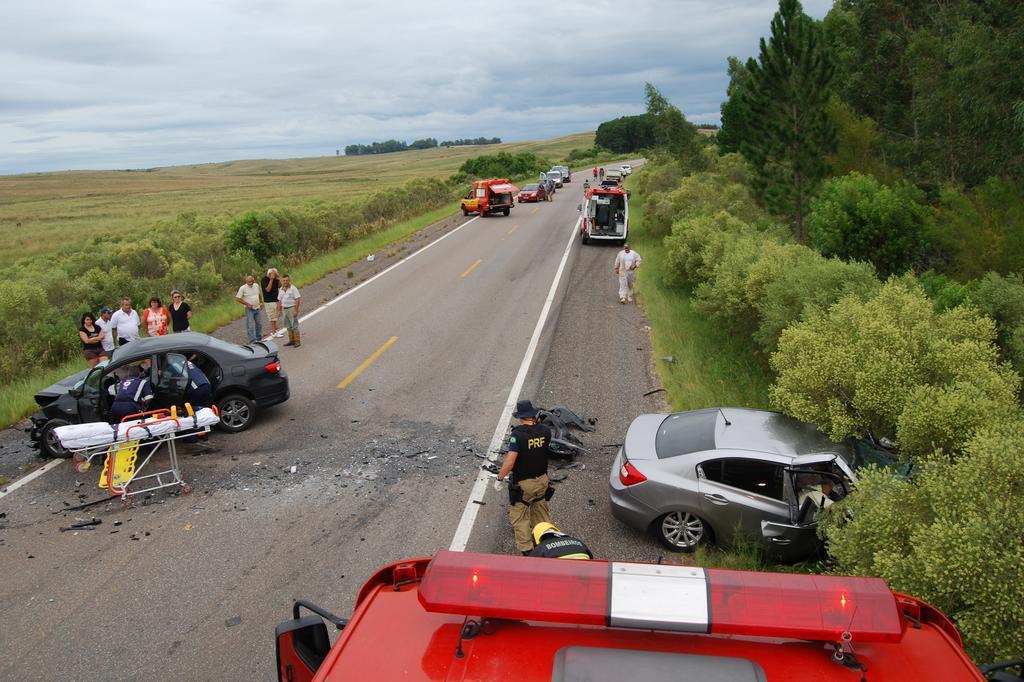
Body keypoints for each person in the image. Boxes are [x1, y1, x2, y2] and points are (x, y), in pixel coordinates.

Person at [496, 399, 553, 555]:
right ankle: (547, 545)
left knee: (519, 517)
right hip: (542, 481)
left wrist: (500, 478)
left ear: (520, 416)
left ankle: (527, 551)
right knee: (540, 513)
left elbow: (510, 462)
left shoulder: (517, 435)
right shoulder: (545, 431)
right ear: (533, 414)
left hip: (524, 485)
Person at [529, 522, 593, 560]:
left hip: (563, 579)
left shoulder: (540, 548)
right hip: (586, 576)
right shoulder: (577, 541)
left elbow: (529, 569)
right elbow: (591, 558)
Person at [235, 275, 263, 344]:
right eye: (248, 282)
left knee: (259, 324)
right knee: (250, 325)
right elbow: (237, 298)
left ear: (253, 280)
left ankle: (259, 338)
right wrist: (247, 304)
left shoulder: (256, 285)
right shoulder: (243, 288)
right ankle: (252, 341)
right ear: (246, 282)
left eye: (251, 281)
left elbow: (259, 294)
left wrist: (261, 302)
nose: (250, 283)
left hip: (257, 308)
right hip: (249, 309)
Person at [278, 274, 302, 347]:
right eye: (284, 280)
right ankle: (291, 340)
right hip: (284, 309)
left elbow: (297, 299)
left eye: (287, 280)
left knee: (294, 325)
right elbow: (279, 300)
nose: (285, 282)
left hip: (291, 308)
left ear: (289, 280)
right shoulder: (280, 289)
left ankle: (297, 341)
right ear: (282, 281)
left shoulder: (293, 288)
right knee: (288, 326)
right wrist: (279, 311)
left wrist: (296, 310)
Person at [261, 268, 284, 338]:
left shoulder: (275, 280)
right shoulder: (264, 279)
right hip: (269, 301)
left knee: (275, 316)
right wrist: (271, 279)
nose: (274, 275)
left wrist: (278, 278)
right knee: (272, 317)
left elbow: (280, 286)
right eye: (273, 274)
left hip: (275, 300)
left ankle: (275, 331)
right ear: (269, 274)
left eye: (275, 273)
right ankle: (273, 332)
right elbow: (267, 289)